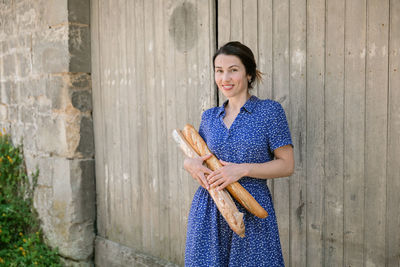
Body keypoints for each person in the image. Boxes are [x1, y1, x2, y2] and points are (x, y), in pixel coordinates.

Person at [183, 41, 294, 267]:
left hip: (251, 208)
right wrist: (189, 164)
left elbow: (287, 165)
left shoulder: (269, 112)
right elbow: (198, 158)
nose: (225, 78)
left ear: (250, 74)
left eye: (233, 70)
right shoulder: (209, 117)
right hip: (209, 208)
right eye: (219, 71)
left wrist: (242, 169)